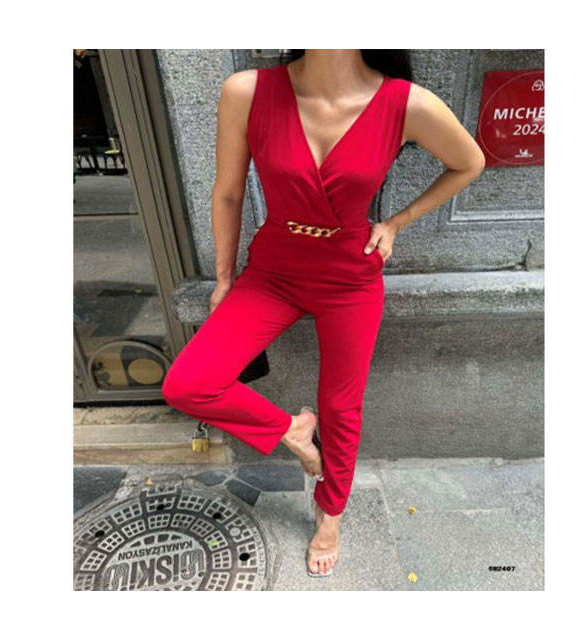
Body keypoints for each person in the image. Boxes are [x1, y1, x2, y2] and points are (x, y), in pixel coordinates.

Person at [162, 49, 485, 577]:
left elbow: (470, 162)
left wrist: (396, 222)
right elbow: (228, 193)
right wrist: (223, 279)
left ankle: (330, 514)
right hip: (272, 274)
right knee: (188, 384)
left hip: (350, 277)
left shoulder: (405, 103)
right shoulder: (248, 91)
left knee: (342, 408)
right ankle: (293, 430)